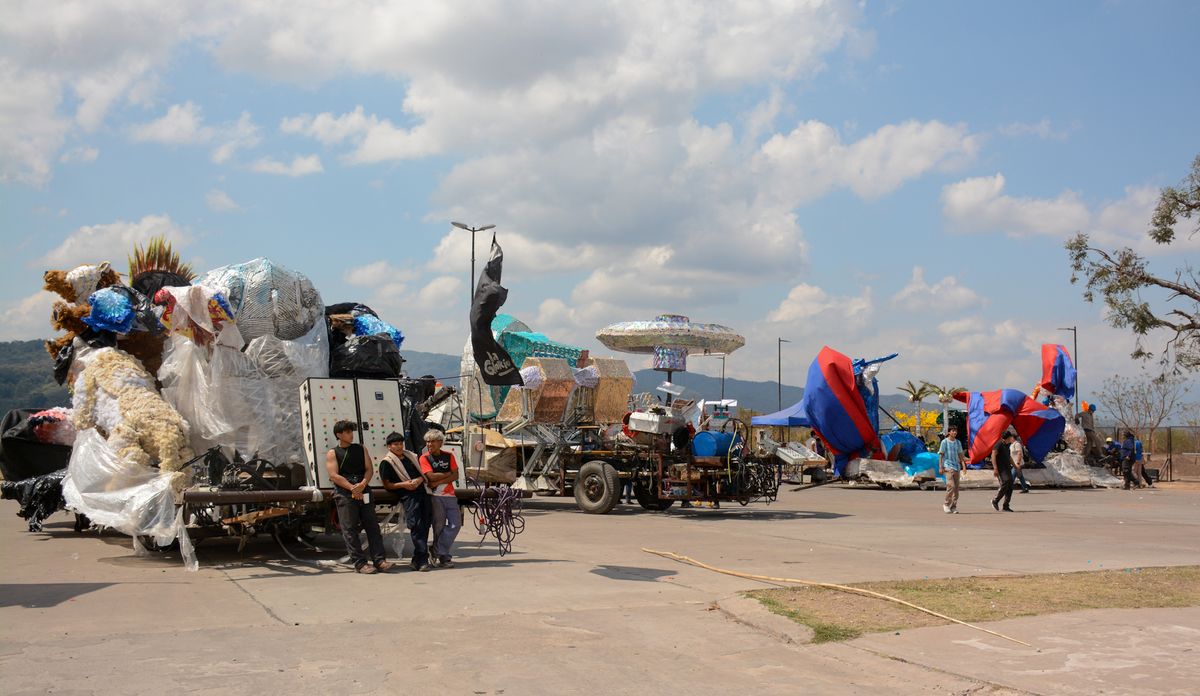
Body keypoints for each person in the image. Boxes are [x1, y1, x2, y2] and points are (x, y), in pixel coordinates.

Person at [326, 420, 393, 574]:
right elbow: (334, 475)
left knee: (372, 526)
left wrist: (362, 485)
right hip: (345, 492)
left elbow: (369, 469)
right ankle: (360, 563)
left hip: (363, 489)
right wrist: (352, 488)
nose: (351, 435)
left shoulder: (361, 448)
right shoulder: (333, 453)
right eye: (348, 432)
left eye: (351, 431)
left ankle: (380, 560)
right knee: (350, 529)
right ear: (339, 435)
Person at [379, 432, 432, 571]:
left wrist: (419, 480)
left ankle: (418, 559)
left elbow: (423, 474)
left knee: (425, 525)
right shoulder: (387, 462)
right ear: (389, 447)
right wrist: (404, 485)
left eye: (401, 443)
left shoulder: (411, 457)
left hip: (423, 492)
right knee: (416, 526)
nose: (399, 446)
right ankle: (422, 559)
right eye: (395, 444)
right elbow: (387, 484)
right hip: (409, 496)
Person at [419, 430, 461, 568]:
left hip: (450, 495)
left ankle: (436, 549)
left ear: (440, 443)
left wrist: (437, 481)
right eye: (427, 441)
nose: (429, 444)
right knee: (439, 526)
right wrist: (447, 473)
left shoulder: (449, 456)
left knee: (456, 524)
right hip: (435, 496)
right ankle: (444, 556)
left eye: (432, 441)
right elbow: (429, 476)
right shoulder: (424, 458)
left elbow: (455, 476)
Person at [938, 425, 964, 514]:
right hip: (948, 466)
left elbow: (960, 455)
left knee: (956, 489)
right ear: (949, 432)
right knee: (951, 486)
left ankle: (953, 507)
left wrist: (964, 466)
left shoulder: (958, 442)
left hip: (956, 467)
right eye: (953, 431)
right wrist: (940, 467)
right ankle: (946, 504)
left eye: (955, 431)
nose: (955, 432)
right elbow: (941, 455)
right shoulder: (944, 442)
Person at [991, 430, 1018, 512]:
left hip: (1007, 468)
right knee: (1006, 481)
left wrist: (1015, 466)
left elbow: (1009, 457)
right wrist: (995, 468)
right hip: (1001, 468)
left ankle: (1006, 505)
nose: (1011, 439)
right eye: (1010, 437)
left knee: (1010, 486)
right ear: (1007, 438)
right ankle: (995, 500)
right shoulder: (999, 444)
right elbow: (993, 455)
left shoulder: (1007, 445)